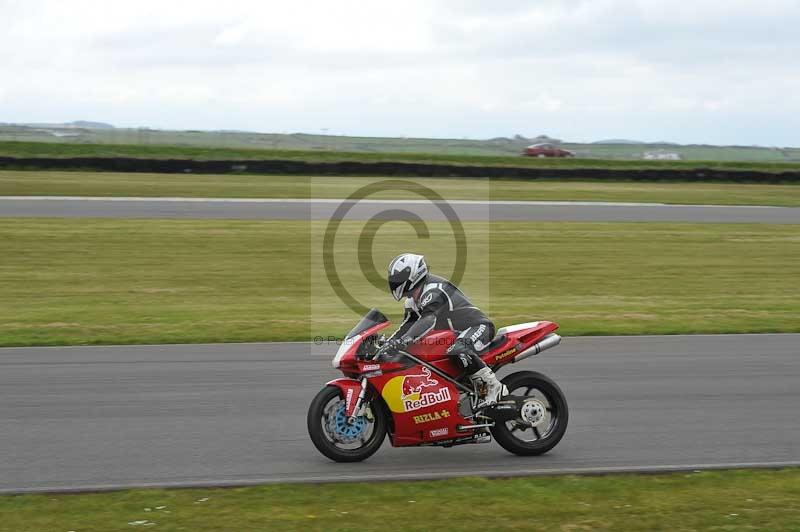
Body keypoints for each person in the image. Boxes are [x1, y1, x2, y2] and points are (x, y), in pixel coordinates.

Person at [377, 253, 506, 408]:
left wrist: (404, 340)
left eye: (399, 277)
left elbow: (428, 321)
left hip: (478, 327)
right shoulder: (412, 301)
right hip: (455, 334)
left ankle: (493, 387)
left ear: (413, 274)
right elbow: (406, 327)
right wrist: (388, 345)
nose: (394, 282)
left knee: (457, 350)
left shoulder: (433, 290)